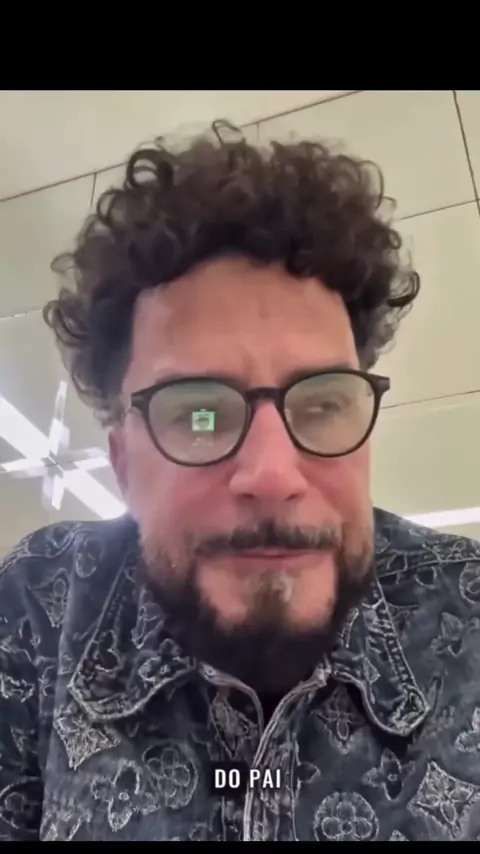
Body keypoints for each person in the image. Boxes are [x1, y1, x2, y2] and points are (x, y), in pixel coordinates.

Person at [1, 120, 480, 843]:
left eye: (321, 403)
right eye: (198, 413)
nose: (272, 475)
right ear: (124, 465)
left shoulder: (469, 616)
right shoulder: (37, 611)